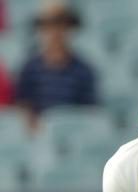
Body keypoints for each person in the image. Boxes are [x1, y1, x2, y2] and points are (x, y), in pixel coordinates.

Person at [14, 0, 96, 132]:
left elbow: (88, 115)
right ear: (40, 28)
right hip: (39, 139)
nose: (54, 30)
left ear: (69, 26)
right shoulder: (29, 70)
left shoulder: (84, 71)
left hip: (75, 136)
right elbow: (23, 111)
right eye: (47, 24)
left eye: (60, 23)